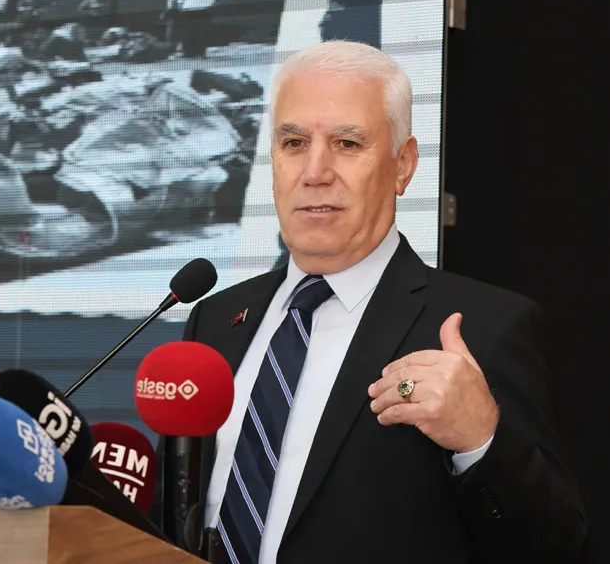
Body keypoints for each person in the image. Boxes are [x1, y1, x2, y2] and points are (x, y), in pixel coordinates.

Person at [160, 40, 588, 563]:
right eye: (293, 143)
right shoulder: (214, 319)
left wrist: (480, 441)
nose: (314, 171)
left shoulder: (486, 329)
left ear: (403, 165)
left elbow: (558, 549)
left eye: (346, 143)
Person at [163, 0, 231, 58]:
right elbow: (171, 1)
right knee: (186, 34)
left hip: (202, 12)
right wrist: (169, 11)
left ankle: (201, 52)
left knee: (200, 33)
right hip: (186, 13)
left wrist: (216, 5)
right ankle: (188, 53)